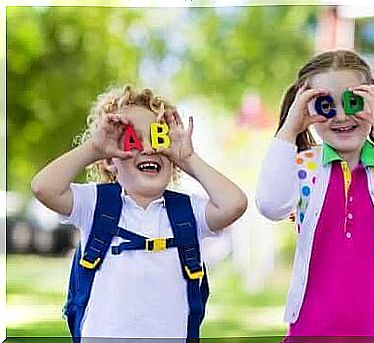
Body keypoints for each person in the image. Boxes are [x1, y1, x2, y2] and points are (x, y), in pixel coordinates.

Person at [31, 84, 248, 341]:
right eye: (132, 139)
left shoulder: (188, 211)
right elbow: (43, 187)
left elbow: (234, 203)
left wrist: (188, 159)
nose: (149, 149)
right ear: (110, 161)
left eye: (158, 138)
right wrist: (94, 148)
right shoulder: (95, 204)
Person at [255, 49, 374, 342]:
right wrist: (290, 128)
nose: (342, 116)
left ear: (372, 101)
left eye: (354, 102)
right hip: (310, 333)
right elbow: (270, 205)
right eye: (325, 105)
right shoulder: (304, 168)